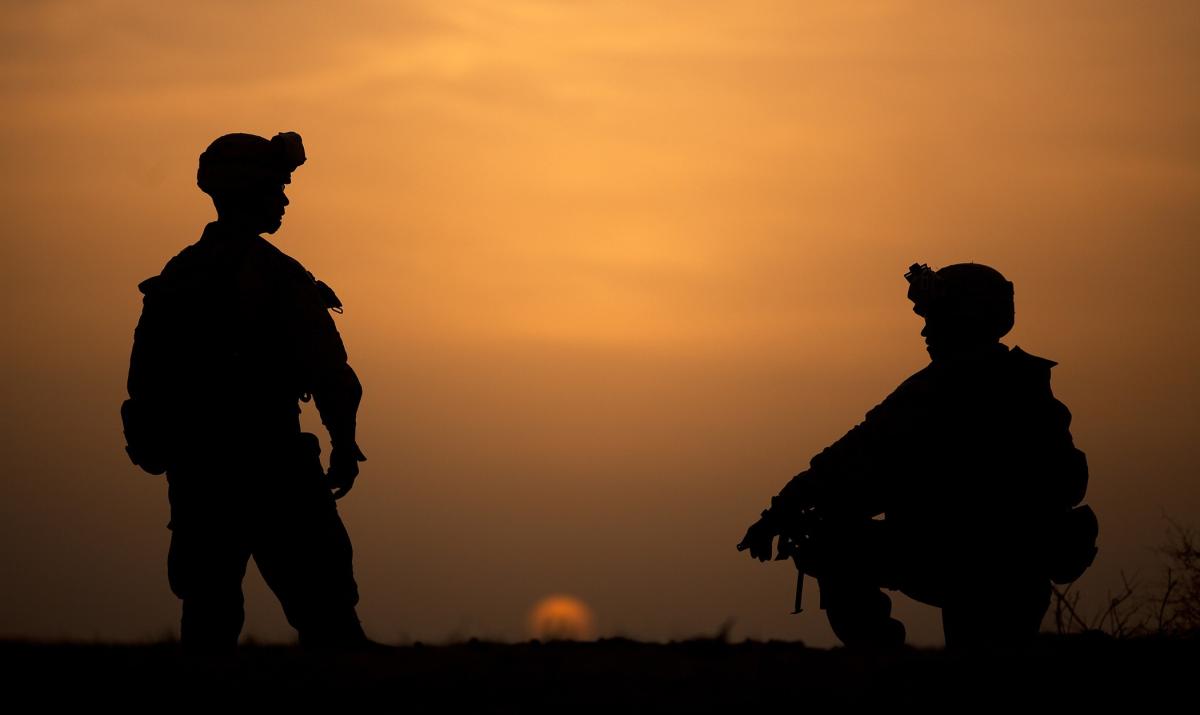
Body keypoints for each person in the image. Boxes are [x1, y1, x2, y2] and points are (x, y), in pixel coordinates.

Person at [738, 263, 1097, 649]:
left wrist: (781, 512)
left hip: (972, 564)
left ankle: (883, 660)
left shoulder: (936, 391)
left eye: (936, 320)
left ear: (964, 319)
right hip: (1001, 568)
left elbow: (848, 461)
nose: (926, 332)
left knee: (828, 541)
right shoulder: (1026, 386)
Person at [122, 131, 376, 652]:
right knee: (327, 614)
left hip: (201, 471)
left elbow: (145, 380)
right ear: (248, 191)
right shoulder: (279, 276)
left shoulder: (179, 276)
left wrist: (164, 446)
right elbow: (330, 374)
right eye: (275, 188)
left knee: (208, 616)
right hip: (273, 464)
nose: (284, 199)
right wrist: (344, 445)